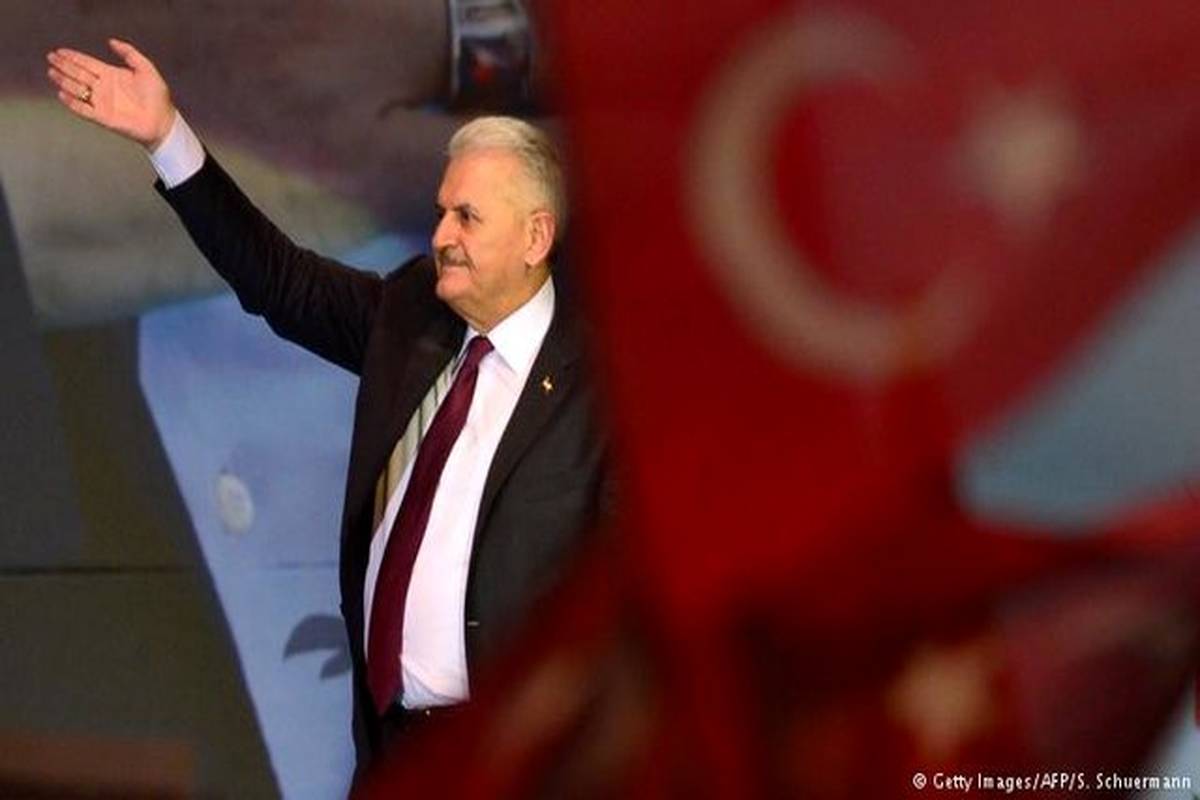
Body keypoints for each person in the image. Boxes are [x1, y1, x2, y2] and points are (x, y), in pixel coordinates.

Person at [46, 39, 613, 770]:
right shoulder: (413, 319)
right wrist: (167, 139)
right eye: (441, 213)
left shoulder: (600, 390)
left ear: (536, 236)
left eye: (467, 218)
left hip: (520, 764)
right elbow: (280, 280)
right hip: (393, 755)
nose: (442, 237)